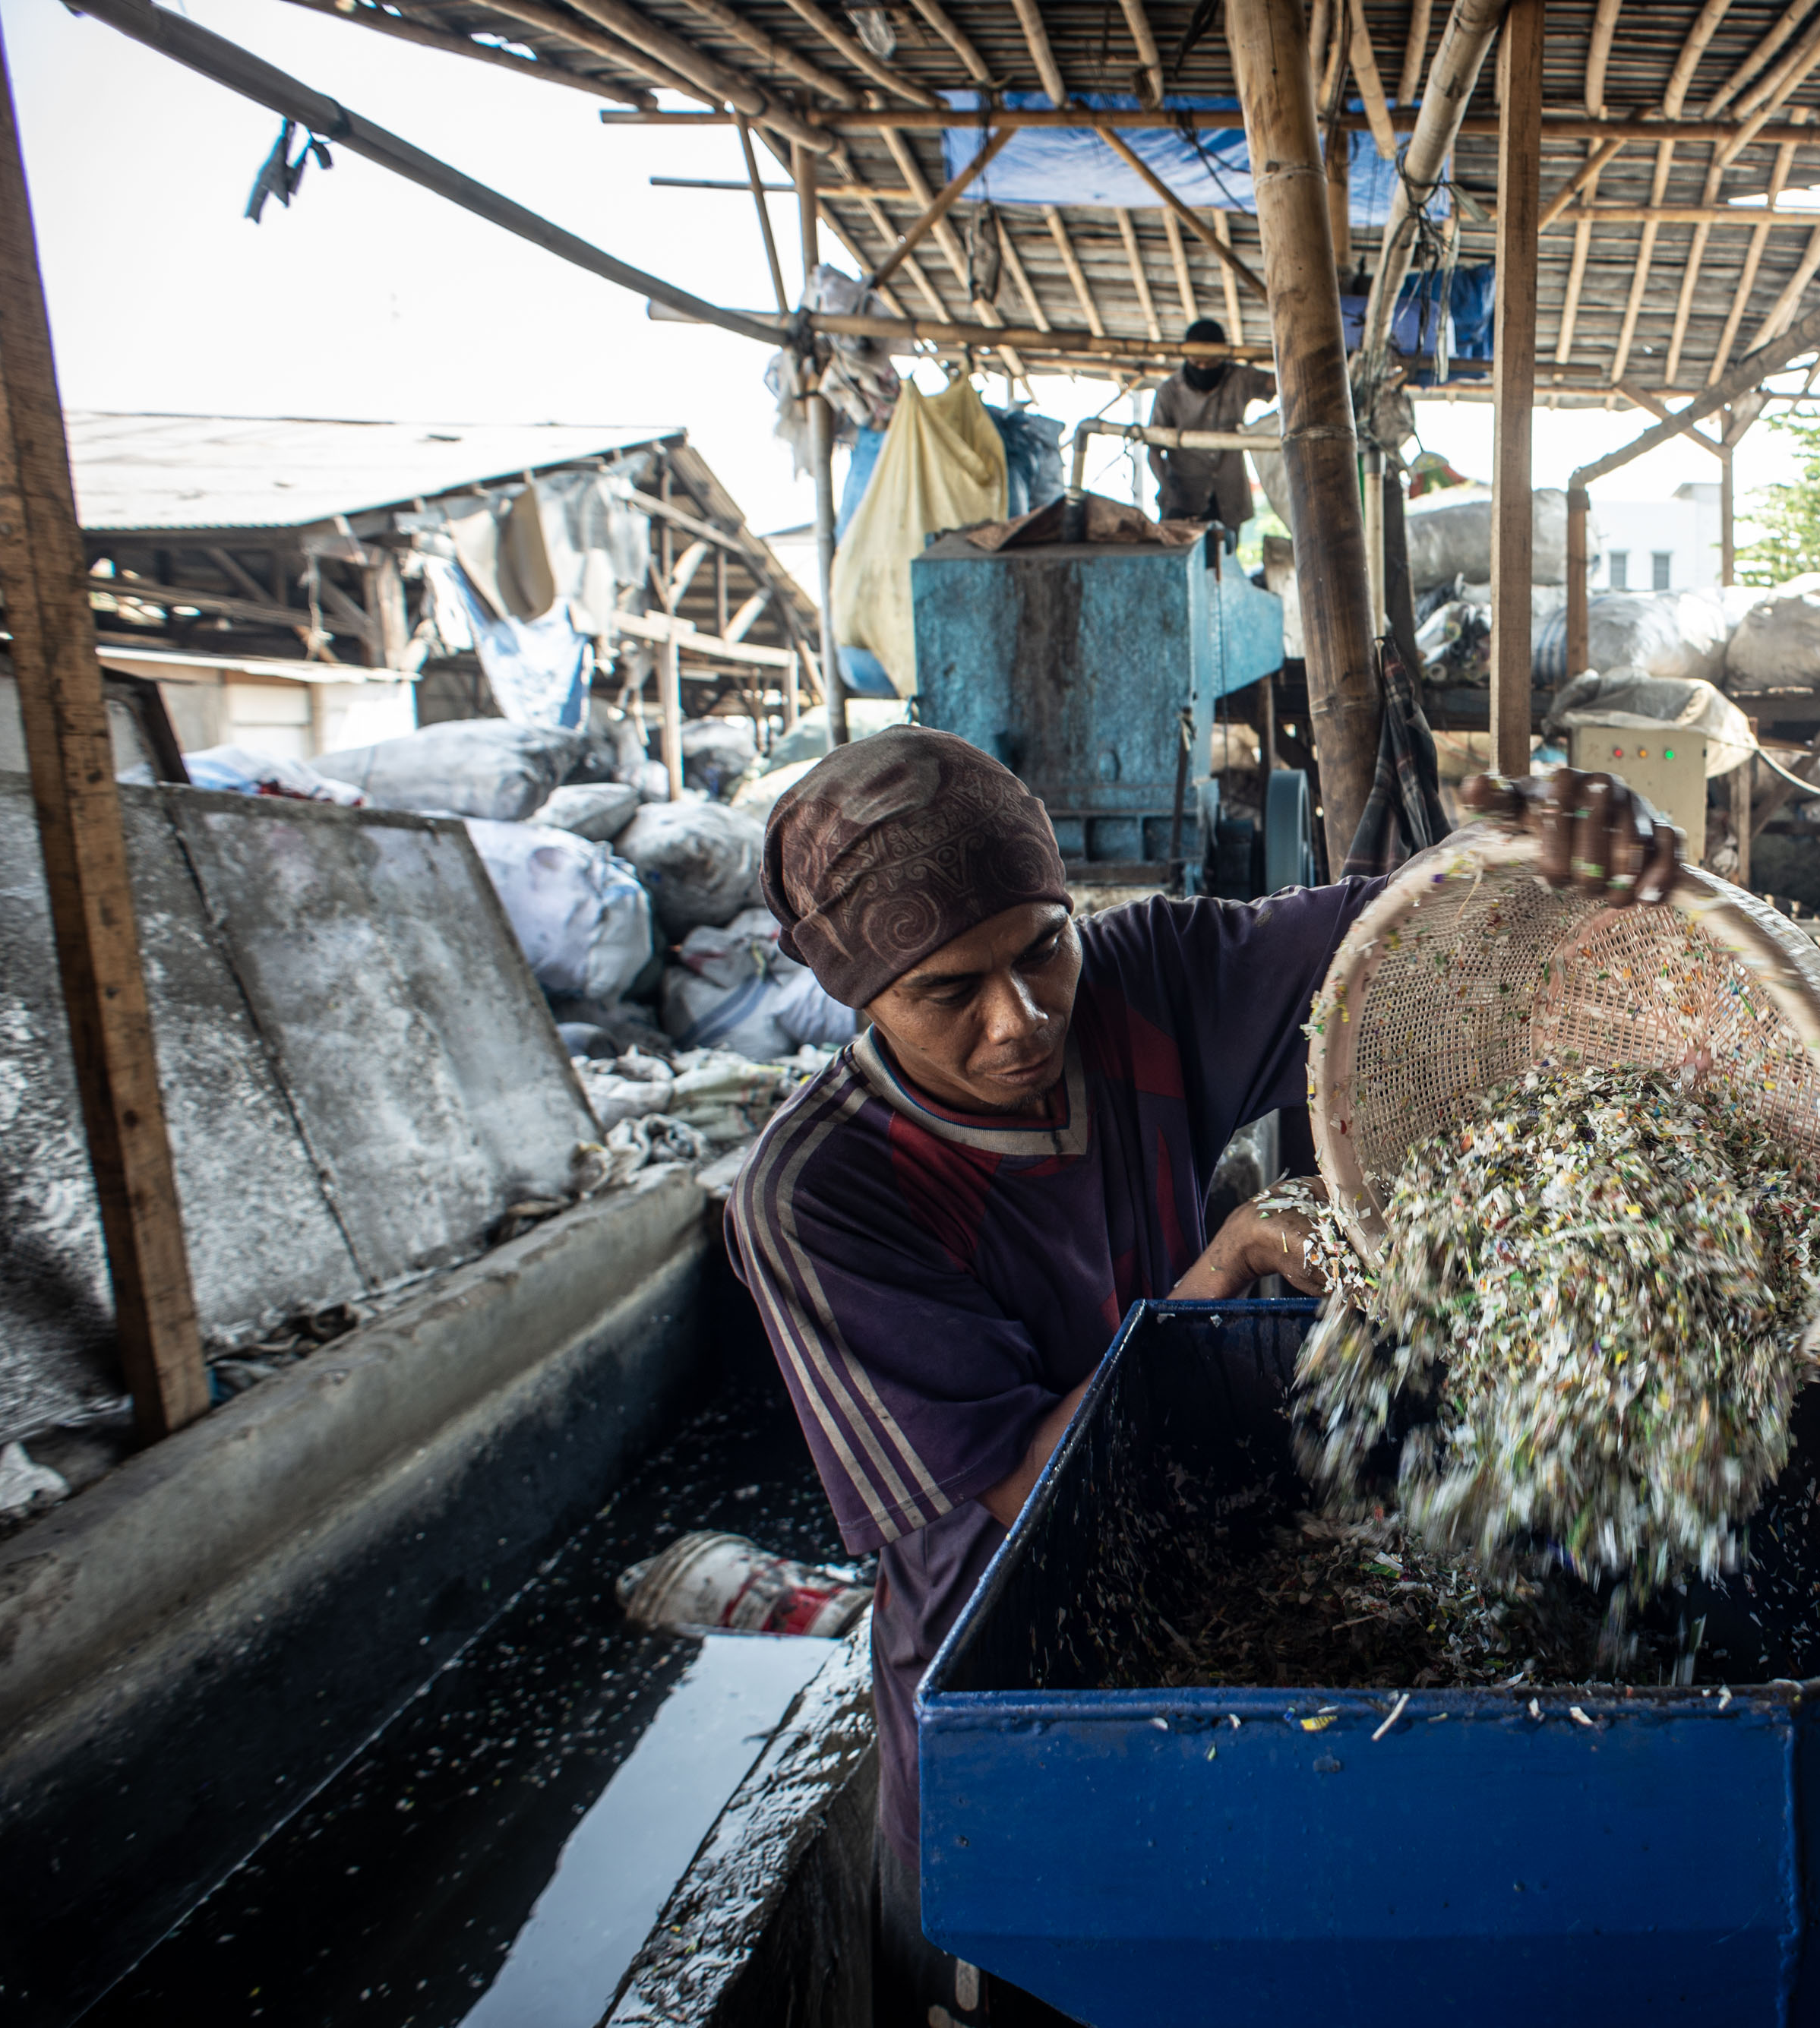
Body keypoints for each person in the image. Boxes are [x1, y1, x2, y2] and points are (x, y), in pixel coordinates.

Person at [727, 725, 1683, 2024]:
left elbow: (1389, 932)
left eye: (1041, 947)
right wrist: (1211, 1283)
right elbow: (1016, 1487)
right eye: (950, 991)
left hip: (1201, 1650)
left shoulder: (1142, 978)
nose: (1021, 1019)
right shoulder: (820, 1192)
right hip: (1012, 1728)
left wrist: (1537, 845)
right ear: (858, 997)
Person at [1146, 317, 1275, 535]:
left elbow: (1278, 383)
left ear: (1223, 356)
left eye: (1211, 363)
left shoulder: (1239, 378)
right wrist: (1167, 489)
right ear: (1187, 356)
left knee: (1226, 560)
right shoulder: (1168, 392)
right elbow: (1154, 449)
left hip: (1229, 494)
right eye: (1197, 364)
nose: (1204, 368)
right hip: (1183, 498)